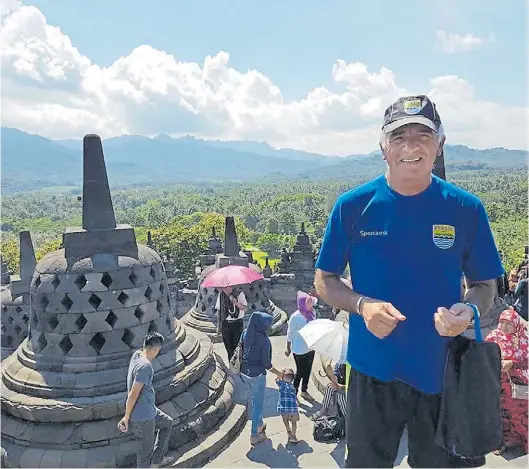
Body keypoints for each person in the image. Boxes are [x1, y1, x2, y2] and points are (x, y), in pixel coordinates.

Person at [314, 95, 503, 468]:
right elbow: (324, 280)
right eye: (399, 136)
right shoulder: (354, 206)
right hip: (372, 369)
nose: (411, 146)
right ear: (383, 147)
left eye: (423, 135)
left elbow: (485, 284)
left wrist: (468, 310)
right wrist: (362, 305)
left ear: (440, 145)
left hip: (441, 369)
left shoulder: (465, 209)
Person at [118, 332, 174, 468]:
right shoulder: (145, 367)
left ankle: (157, 461)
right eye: (158, 350)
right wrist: (126, 417)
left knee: (167, 423)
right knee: (144, 454)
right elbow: (133, 393)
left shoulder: (137, 355)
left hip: (150, 410)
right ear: (156, 349)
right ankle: (151, 462)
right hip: (143, 417)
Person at [486, 309, 528, 454]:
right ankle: (503, 442)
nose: (504, 326)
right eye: (502, 322)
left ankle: (522, 440)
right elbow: (485, 356)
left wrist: (513, 364)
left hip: (518, 384)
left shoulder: (523, 338)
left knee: (521, 414)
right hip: (499, 384)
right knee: (501, 412)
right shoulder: (494, 337)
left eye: (508, 323)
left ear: (516, 324)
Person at [241, 311, 281, 446]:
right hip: (257, 375)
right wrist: (278, 373)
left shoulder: (246, 333)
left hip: (244, 372)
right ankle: (254, 435)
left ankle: (259, 424)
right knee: (258, 404)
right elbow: (266, 364)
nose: (268, 327)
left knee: (253, 399)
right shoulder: (263, 341)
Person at [285, 291, 317, 399]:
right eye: (308, 302)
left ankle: (304, 390)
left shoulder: (312, 313)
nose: (311, 304)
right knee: (300, 372)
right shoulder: (295, 317)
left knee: (308, 370)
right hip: (299, 349)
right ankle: (294, 393)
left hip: (310, 347)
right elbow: (290, 333)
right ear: (302, 303)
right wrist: (288, 347)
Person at [215, 285, 248, 362]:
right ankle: (232, 365)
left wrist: (236, 303)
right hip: (226, 324)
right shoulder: (221, 295)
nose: (224, 288)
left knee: (237, 347)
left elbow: (245, 308)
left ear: (232, 286)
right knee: (228, 347)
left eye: (226, 287)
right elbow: (219, 311)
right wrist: (218, 327)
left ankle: (239, 365)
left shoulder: (240, 294)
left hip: (237, 323)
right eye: (224, 287)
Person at [276, 368, 300, 444]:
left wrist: (280, 374)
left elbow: (276, 379)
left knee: (285, 420)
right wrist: (297, 401)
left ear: (283, 377)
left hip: (284, 408)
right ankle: (293, 436)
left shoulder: (281, 384)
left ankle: (288, 430)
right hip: (292, 408)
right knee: (294, 422)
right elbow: (294, 396)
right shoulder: (292, 387)